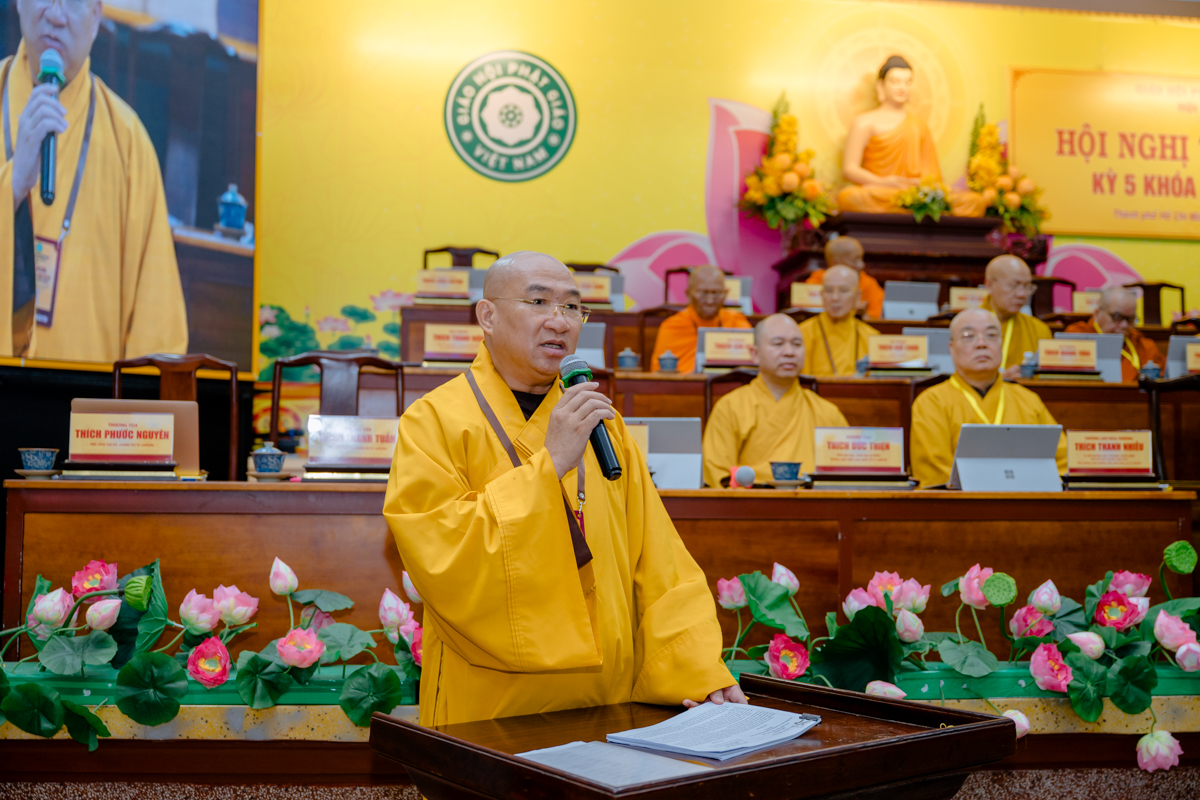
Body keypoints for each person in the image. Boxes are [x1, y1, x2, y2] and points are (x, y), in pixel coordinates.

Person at [384, 251, 743, 726]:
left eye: (572, 307)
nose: (560, 321)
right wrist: (548, 465)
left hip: (607, 698)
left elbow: (660, 562)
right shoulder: (433, 421)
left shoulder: (603, 426)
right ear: (487, 316)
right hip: (491, 704)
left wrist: (697, 666)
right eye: (538, 302)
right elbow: (440, 553)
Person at [1, 0, 186, 360]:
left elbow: (156, 333)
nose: (56, 15)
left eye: (73, 2)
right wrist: (12, 186)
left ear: (97, 16)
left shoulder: (128, 143)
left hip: (88, 394)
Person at [910, 308, 1066, 488]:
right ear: (951, 348)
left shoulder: (1028, 400)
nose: (981, 343)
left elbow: (1062, 463)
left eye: (991, 335)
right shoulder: (931, 402)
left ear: (1001, 344)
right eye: (968, 336)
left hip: (1026, 500)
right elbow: (936, 475)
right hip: (962, 503)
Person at [703, 313, 847, 487]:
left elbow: (844, 475)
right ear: (755, 354)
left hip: (811, 501)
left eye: (797, 344)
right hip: (750, 501)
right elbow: (718, 474)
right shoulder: (730, 407)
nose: (789, 352)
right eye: (778, 344)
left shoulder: (827, 412)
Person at [836, 56, 985, 217]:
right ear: (881, 85)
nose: (902, 87)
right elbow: (849, 169)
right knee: (849, 197)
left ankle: (916, 204)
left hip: (916, 193)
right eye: (895, 82)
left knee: (975, 201)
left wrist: (922, 185)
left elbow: (933, 177)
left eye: (907, 82)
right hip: (881, 191)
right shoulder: (864, 122)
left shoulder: (919, 126)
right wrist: (882, 182)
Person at [650, 264, 750, 373]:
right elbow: (658, 372)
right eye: (703, 293)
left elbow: (751, 366)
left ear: (726, 294)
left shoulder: (736, 321)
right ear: (688, 294)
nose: (710, 301)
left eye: (716, 293)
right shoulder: (673, 325)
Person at [1065, 286, 1163, 382]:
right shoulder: (1077, 337)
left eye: (1130, 319)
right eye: (1117, 317)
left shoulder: (1142, 346)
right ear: (1097, 314)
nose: (1124, 325)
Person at [798, 265, 880, 376]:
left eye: (843, 290)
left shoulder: (871, 337)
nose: (835, 297)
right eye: (828, 290)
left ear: (857, 297)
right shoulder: (802, 333)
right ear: (821, 295)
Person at [981, 255, 1051, 379]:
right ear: (989, 285)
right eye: (1013, 285)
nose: (1022, 294)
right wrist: (999, 379)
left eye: (1027, 286)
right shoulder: (966, 326)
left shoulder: (1039, 330)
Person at [803, 236, 884, 319]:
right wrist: (851, 309)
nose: (861, 265)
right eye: (855, 260)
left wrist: (860, 314)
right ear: (835, 263)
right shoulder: (817, 281)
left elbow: (877, 315)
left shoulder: (867, 282)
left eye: (861, 259)